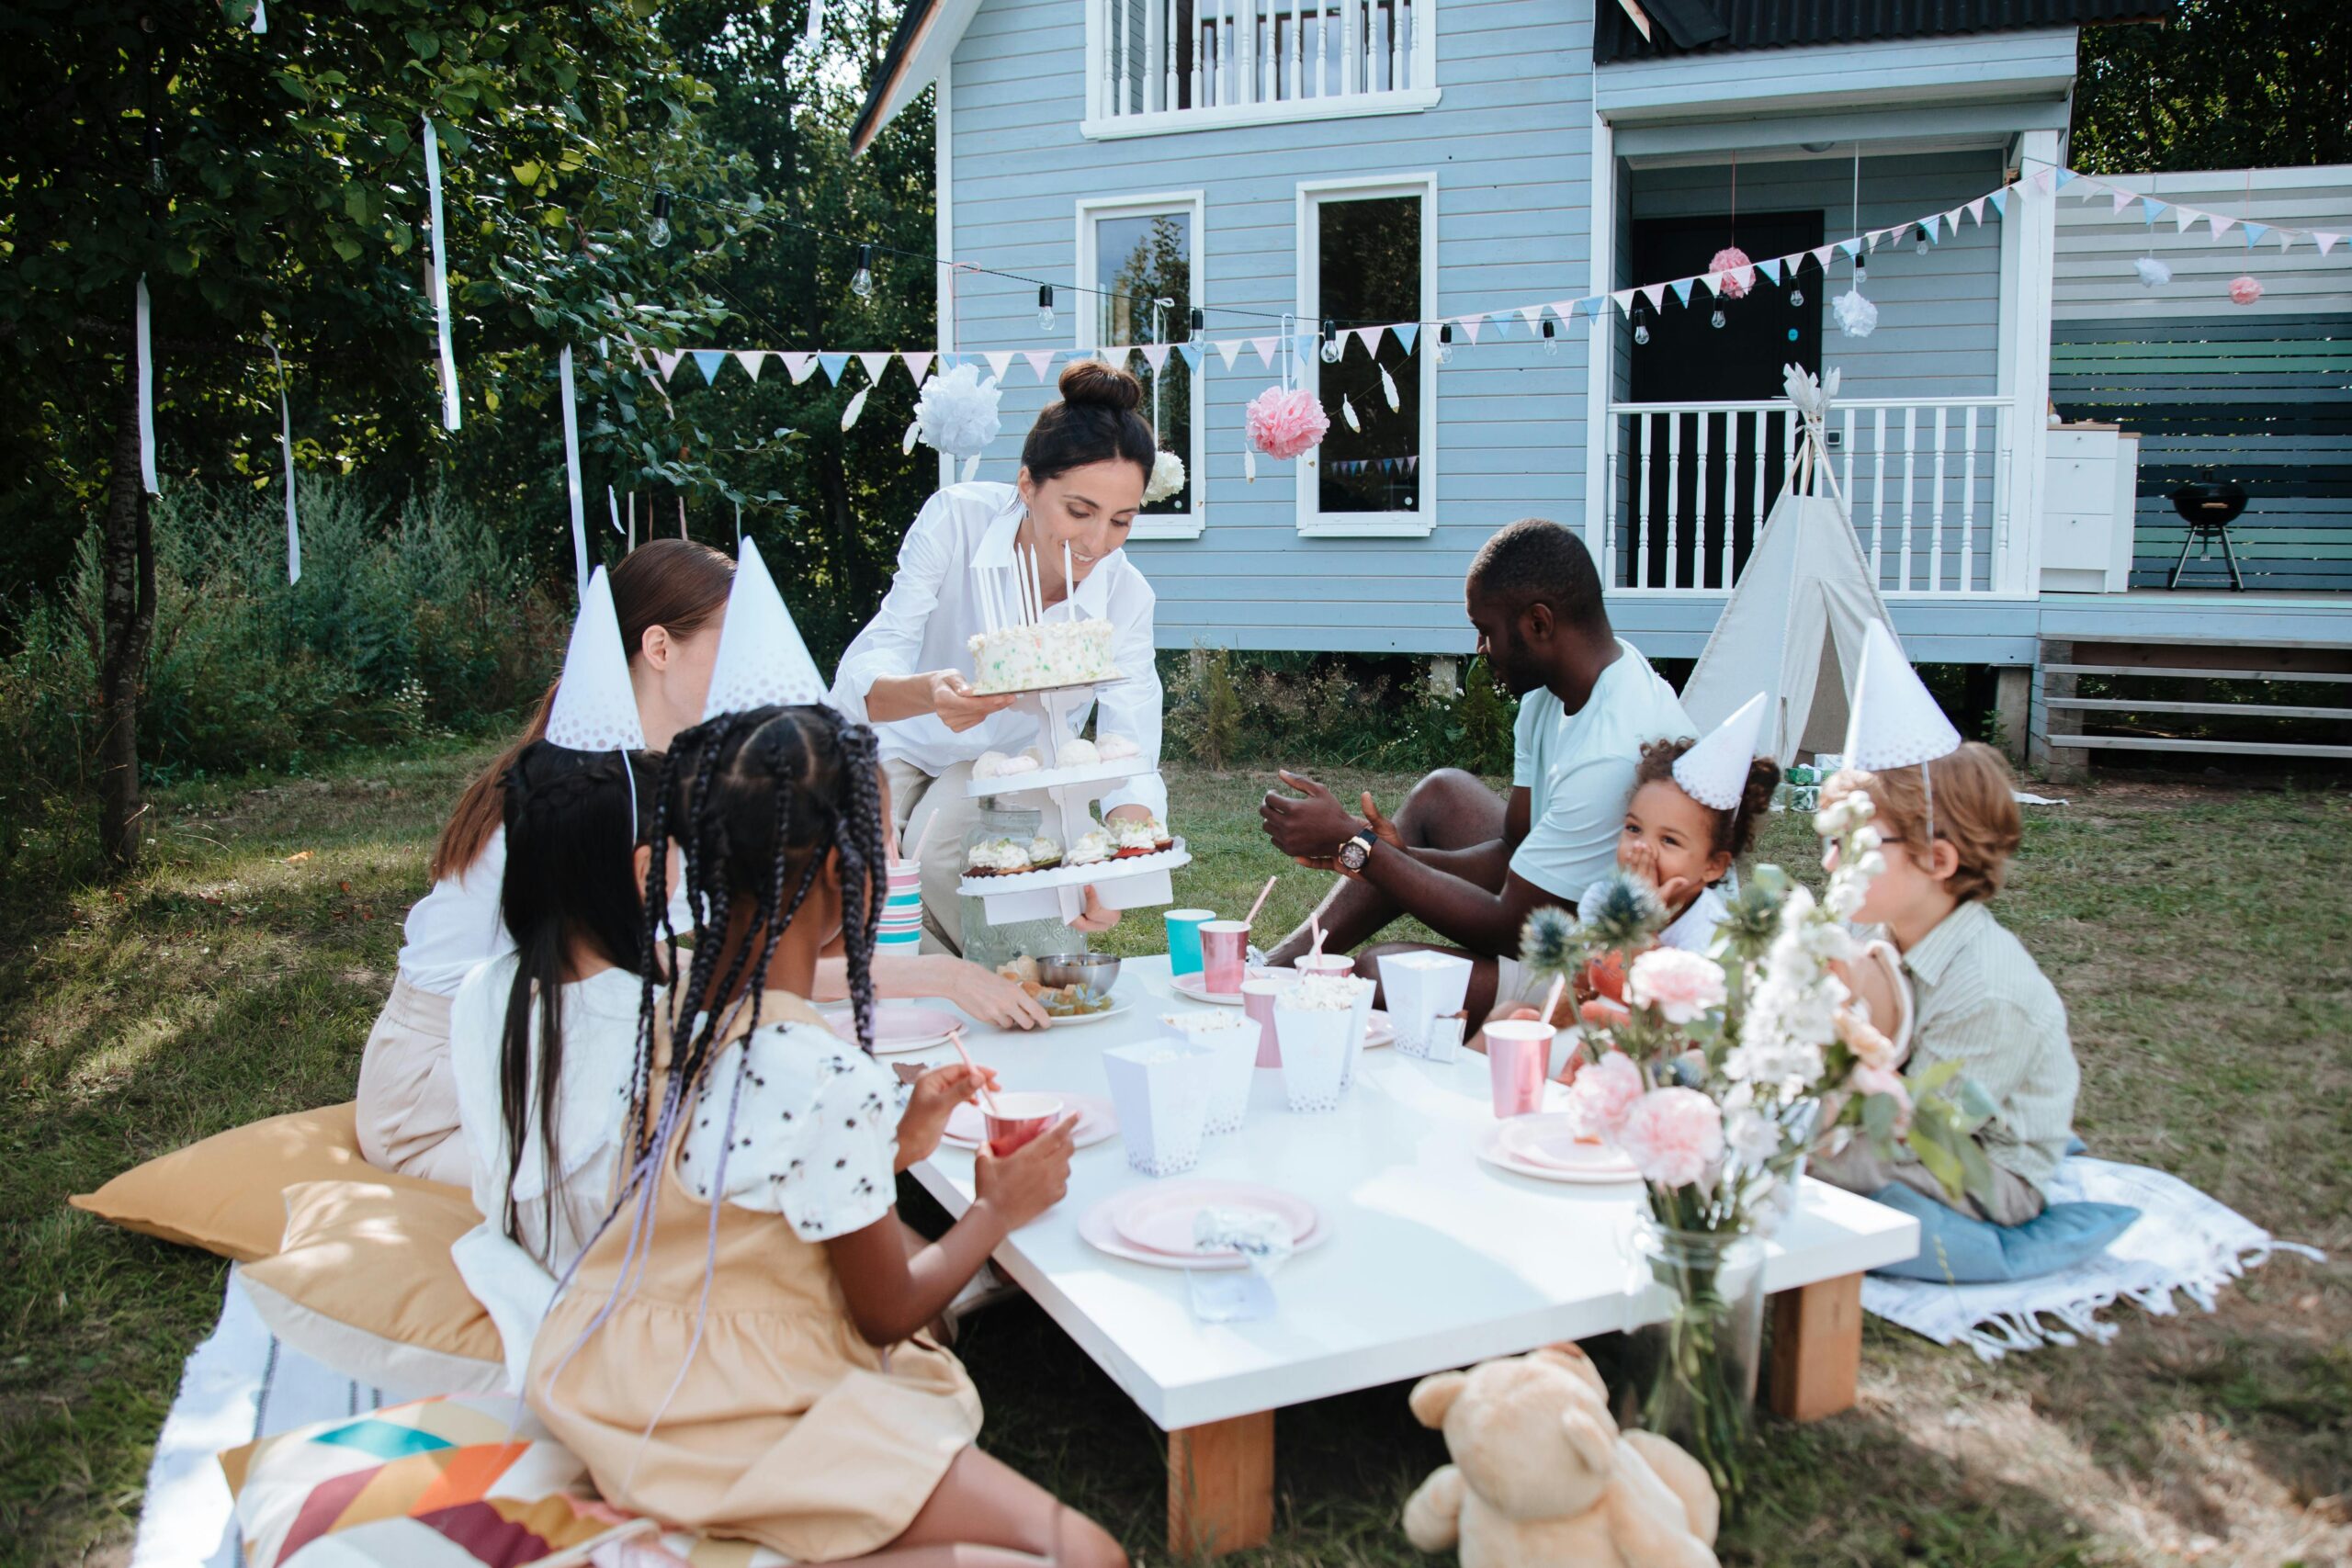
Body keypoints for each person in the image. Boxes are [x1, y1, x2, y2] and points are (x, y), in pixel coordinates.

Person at [527, 704, 1124, 1567]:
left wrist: (897, 1141)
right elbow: (885, 1312)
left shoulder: (677, 1014)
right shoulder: (824, 1072)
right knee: (1087, 1552)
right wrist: (997, 1211)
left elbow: (745, 1173)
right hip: (743, 1412)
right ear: (849, 882)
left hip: (625, 1378)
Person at [361, 543, 1046, 1185]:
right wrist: (936, 972)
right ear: (658, 647)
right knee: (727, 1162)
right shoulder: (585, 799)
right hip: (450, 1093)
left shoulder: (651, 776)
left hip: (555, 1052)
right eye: (730, 637)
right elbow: (706, 968)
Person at [1258, 519, 1690, 1027]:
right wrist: (1400, 857)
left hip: (1613, 962)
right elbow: (1513, 851)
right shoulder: (1556, 695)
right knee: (1442, 794)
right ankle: (1275, 970)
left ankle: (1277, 977)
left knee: (1382, 974)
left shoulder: (1611, 751)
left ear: (1539, 623)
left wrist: (1363, 851)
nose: (1481, 650)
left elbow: (1513, 929)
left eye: (1486, 632)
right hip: (1572, 901)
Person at [830, 360, 1167, 957]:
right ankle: (936, 987)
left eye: (1122, 520)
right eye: (1079, 511)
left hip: (1011, 765)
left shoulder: (1126, 594)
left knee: (944, 854)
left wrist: (1120, 858)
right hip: (898, 738)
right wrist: (932, 692)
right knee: (860, 878)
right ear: (1027, 486)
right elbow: (865, 677)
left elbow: (1129, 742)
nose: (1097, 543)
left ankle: (1010, 982)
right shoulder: (956, 521)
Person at [1810, 743, 2076, 1226]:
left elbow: (1921, 1132)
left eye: (1852, 846)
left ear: (1937, 860)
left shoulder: (1987, 990)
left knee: (1794, 1169)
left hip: (1981, 1162)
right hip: (1889, 1112)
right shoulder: (1870, 926)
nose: (1830, 864)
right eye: (1831, 843)